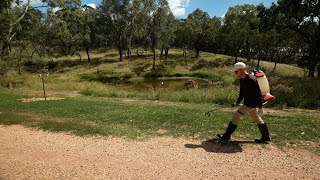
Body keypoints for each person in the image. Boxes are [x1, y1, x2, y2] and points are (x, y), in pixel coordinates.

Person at [217, 62, 271, 144]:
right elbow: (242, 93)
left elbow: (258, 94)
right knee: (257, 119)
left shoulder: (251, 79)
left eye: (236, 72)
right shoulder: (242, 79)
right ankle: (266, 137)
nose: (235, 73)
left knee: (236, 115)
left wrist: (260, 107)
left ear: (242, 70)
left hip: (251, 104)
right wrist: (237, 102)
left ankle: (227, 136)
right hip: (248, 103)